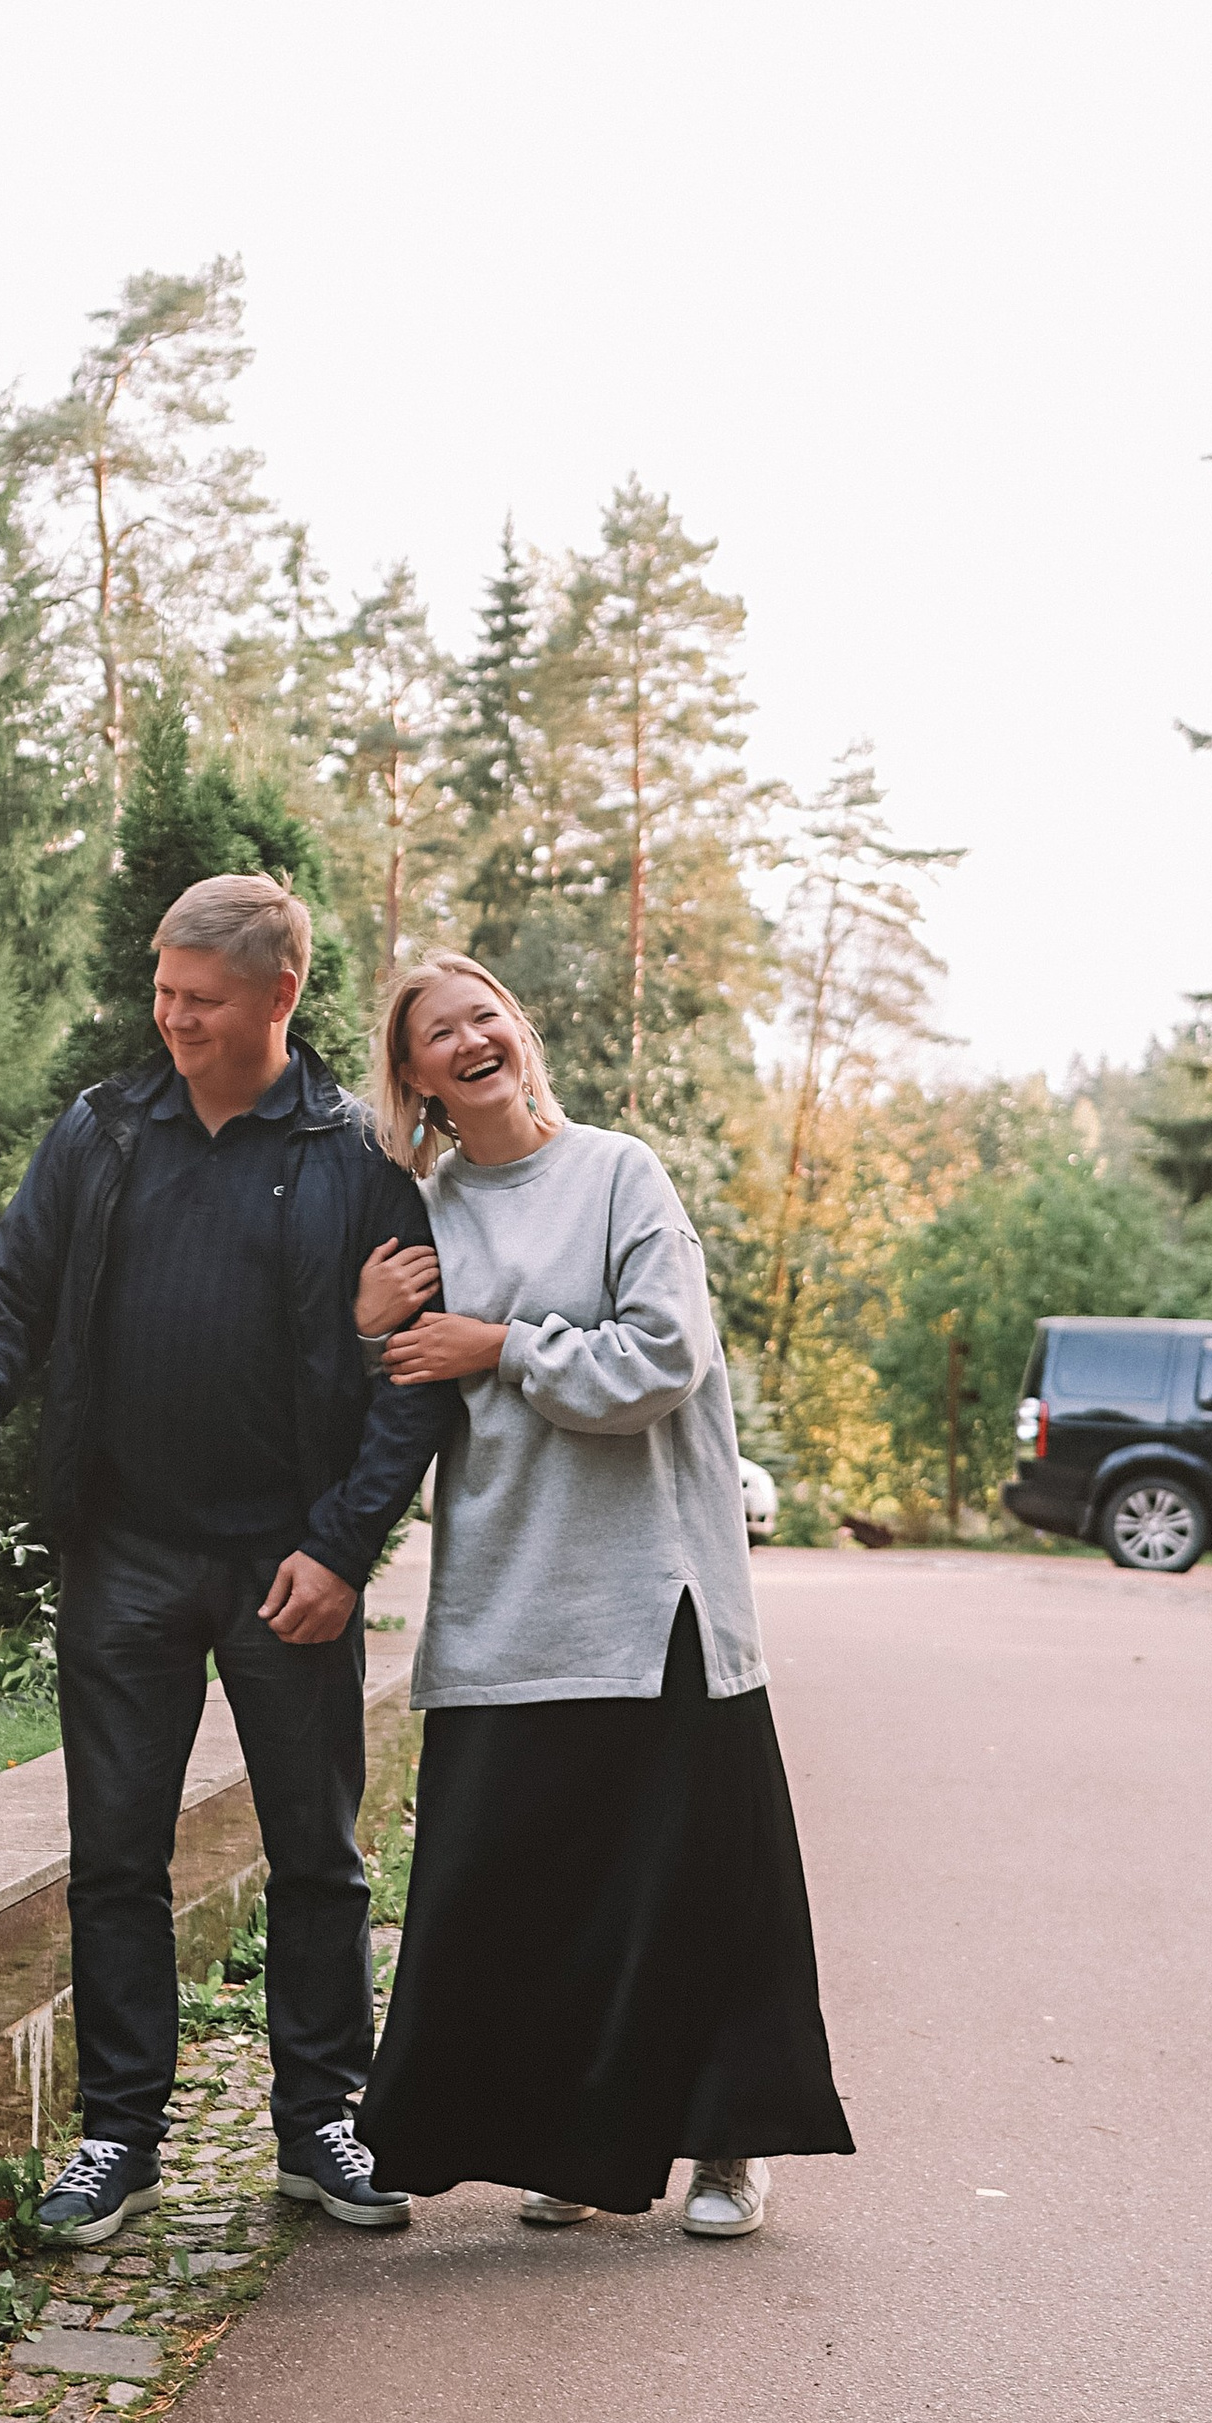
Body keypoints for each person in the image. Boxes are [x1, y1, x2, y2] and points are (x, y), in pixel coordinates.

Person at [0, 875, 456, 2243]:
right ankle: (119, 2134)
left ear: (279, 996)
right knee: (114, 1855)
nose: (171, 1019)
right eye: (162, 992)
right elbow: (10, 1288)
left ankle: (325, 2118)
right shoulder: (103, 1132)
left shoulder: (356, 1157)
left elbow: (411, 1382)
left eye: (199, 1001)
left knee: (317, 1853)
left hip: (290, 1562)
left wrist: (341, 1548)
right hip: (129, 1550)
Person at [352, 952, 853, 2236]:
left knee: (700, 1890)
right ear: (411, 1076)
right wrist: (361, 1326)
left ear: (518, 1033)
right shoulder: (417, 1214)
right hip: (508, 1601)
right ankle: (573, 2150)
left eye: (487, 1014)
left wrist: (502, 1344)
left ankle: (728, 2148)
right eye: (438, 1032)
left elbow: (666, 1357)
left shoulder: (619, 1172)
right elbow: (379, 1407)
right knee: (532, 1899)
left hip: (658, 1599)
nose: (471, 1038)